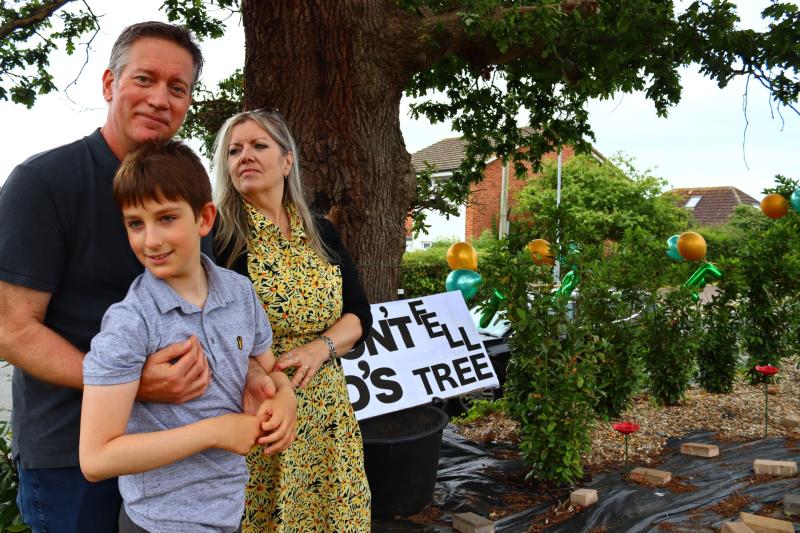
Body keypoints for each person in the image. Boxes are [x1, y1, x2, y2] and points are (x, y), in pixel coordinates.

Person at [0, 22, 282, 533]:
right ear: (109, 84)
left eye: (178, 88)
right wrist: (134, 385)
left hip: (185, 473)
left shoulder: (190, 198)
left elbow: (220, 323)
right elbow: (10, 328)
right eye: (145, 79)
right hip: (72, 454)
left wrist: (261, 381)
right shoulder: (42, 184)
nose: (160, 99)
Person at [80, 140, 296, 533]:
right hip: (160, 522)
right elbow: (96, 458)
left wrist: (285, 397)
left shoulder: (239, 292)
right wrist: (213, 432)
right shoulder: (131, 322)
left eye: (166, 218)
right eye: (135, 223)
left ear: (204, 218)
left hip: (229, 511)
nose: (151, 240)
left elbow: (266, 366)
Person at [212, 109, 373, 532]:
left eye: (258, 145)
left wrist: (321, 349)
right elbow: (216, 334)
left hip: (328, 417)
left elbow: (359, 314)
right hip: (261, 416)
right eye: (234, 150)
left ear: (287, 161)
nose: (244, 156)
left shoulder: (320, 231)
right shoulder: (220, 239)